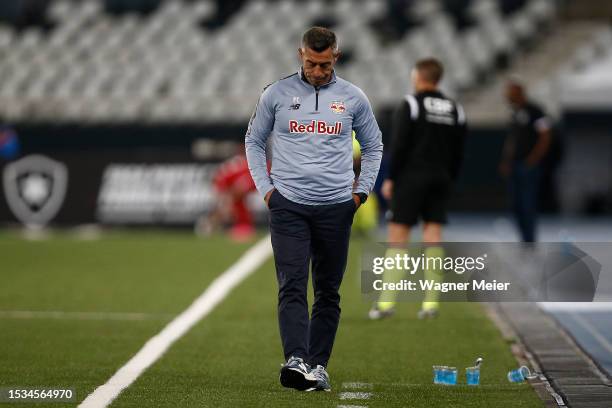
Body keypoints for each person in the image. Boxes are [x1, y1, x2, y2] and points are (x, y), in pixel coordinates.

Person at [245, 27, 383, 391]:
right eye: (310, 63)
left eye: (324, 64)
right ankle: (295, 359)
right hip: (288, 206)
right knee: (291, 283)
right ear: (300, 55)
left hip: (336, 207)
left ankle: (318, 365)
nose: (317, 71)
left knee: (327, 291)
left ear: (335, 56)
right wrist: (268, 192)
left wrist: (360, 194)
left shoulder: (353, 98)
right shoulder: (275, 94)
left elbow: (373, 146)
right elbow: (254, 140)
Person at [369, 58, 467, 320]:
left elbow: (399, 145)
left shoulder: (411, 104)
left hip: (411, 178)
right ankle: (430, 305)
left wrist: (390, 178)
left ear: (418, 76)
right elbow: (459, 151)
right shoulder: (455, 108)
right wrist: (450, 178)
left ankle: (386, 304)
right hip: (441, 178)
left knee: (398, 239)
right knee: (433, 236)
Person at [499, 79, 551, 243]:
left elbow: (546, 135)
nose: (507, 97)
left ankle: (530, 241)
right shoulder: (514, 113)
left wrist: (533, 159)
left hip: (528, 165)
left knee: (528, 204)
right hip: (515, 165)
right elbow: (512, 140)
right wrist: (506, 161)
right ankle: (524, 240)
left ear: (519, 93)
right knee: (515, 205)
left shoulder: (535, 111)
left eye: (510, 93)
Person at [194, 145, 258, 241]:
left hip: (248, 190)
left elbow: (240, 188)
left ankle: (242, 226)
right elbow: (222, 183)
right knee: (229, 203)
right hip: (230, 191)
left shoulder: (245, 165)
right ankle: (236, 226)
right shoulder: (237, 165)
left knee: (233, 201)